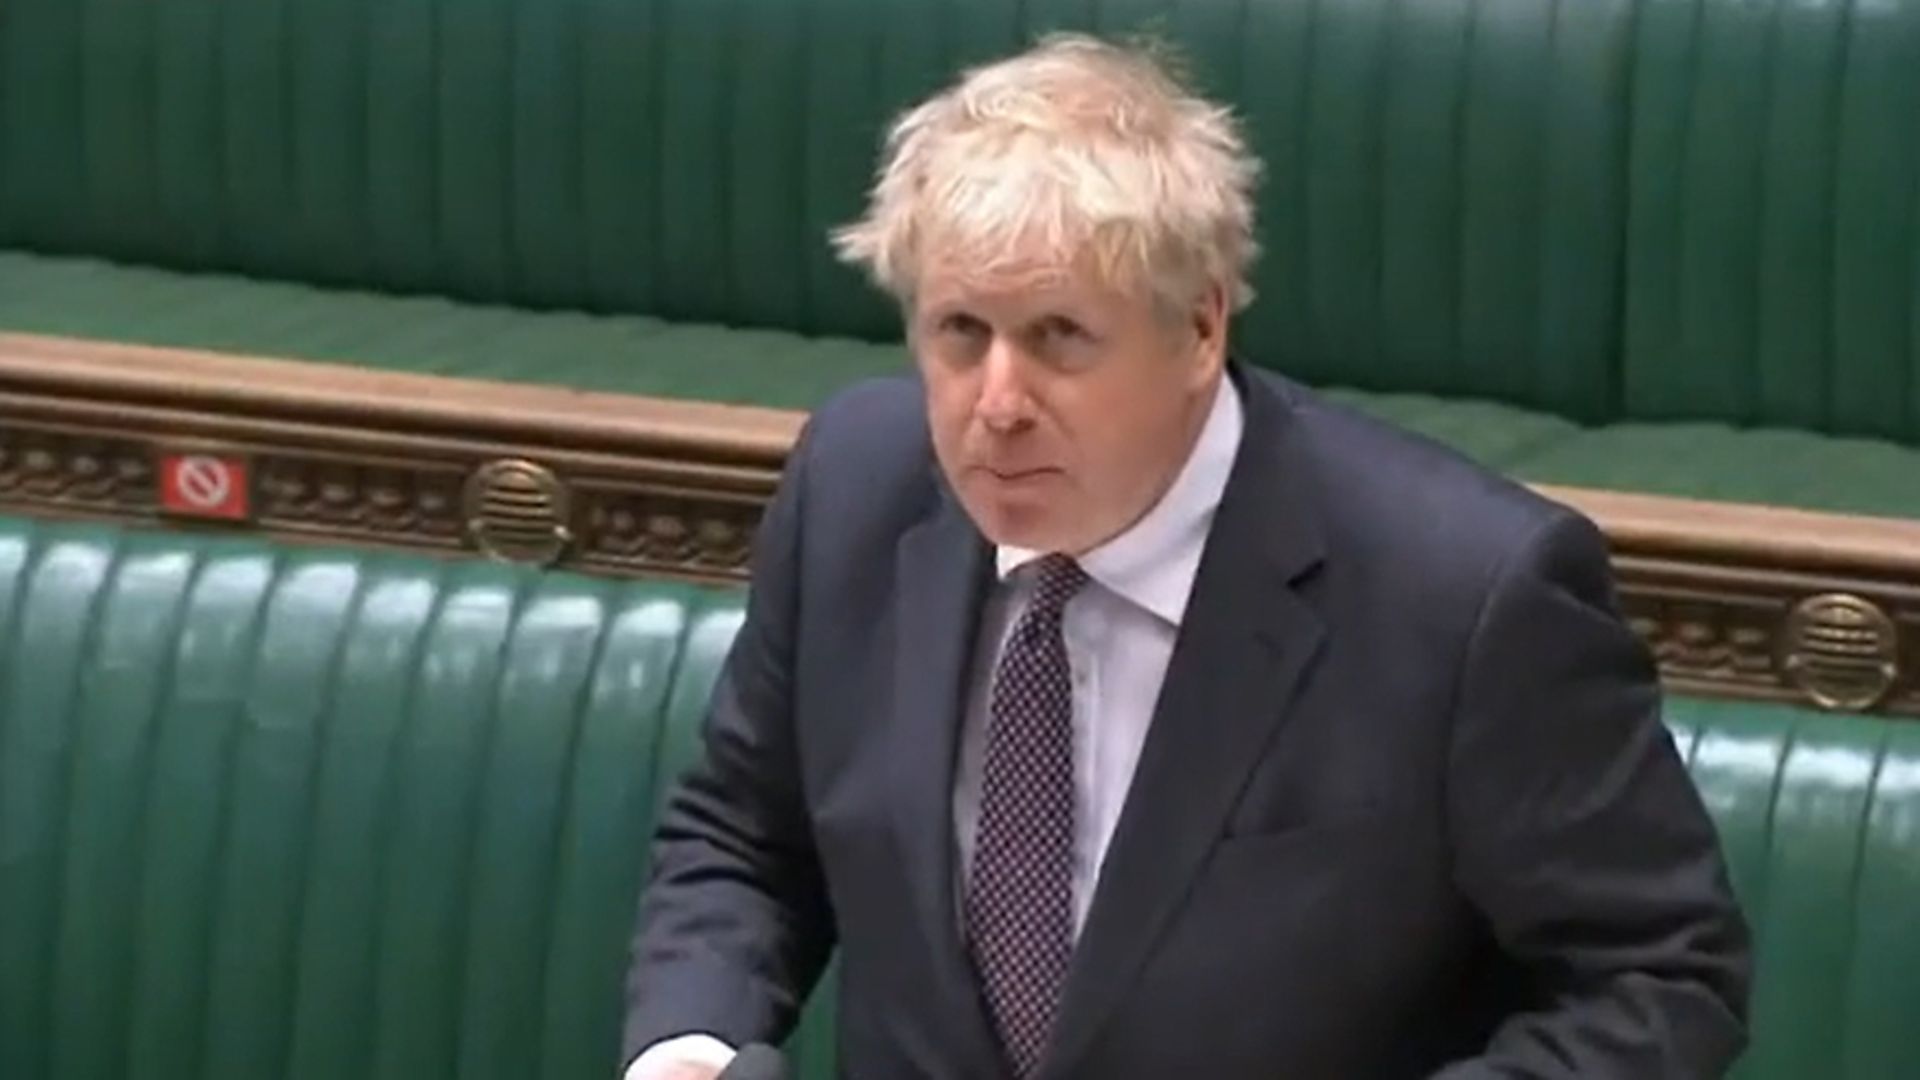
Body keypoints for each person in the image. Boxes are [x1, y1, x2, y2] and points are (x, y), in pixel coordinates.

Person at [620, 33, 1750, 1080]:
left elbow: (1659, 974)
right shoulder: (857, 489)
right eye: (961, 334)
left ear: (1201, 328)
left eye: (1060, 337)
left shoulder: (1467, 595)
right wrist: (691, 1041)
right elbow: (745, 836)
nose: (997, 404)